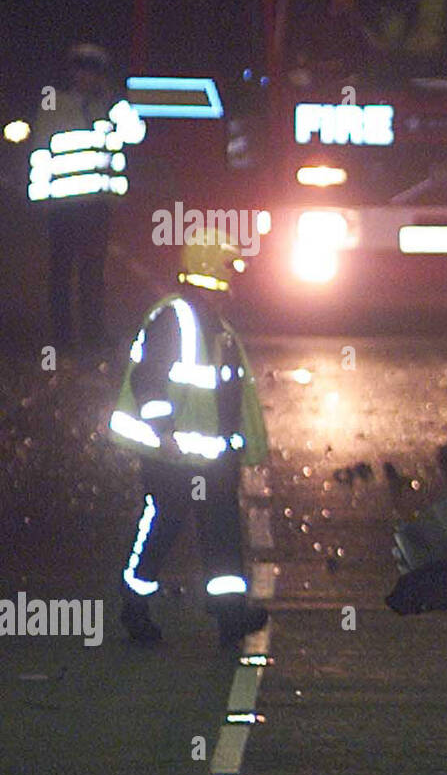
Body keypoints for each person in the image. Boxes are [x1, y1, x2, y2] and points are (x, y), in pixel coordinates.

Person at [107, 239, 270, 646]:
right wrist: (164, 435)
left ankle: (229, 615)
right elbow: (150, 381)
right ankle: (134, 604)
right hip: (174, 458)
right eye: (228, 268)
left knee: (222, 535)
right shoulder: (175, 319)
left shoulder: (216, 325)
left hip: (211, 459)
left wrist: (242, 450)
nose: (234, 277)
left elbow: (231, 398)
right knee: (165, 526)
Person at [28, 44, 145, 350]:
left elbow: (136, 134)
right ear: (72, 72)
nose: (87, 77)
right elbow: (40, 149)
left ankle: (94, 335)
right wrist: (40, 198)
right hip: (63, 205)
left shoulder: (109, 106)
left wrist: (116, 103)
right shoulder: (55, 103)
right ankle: (62, 339)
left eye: (94, 72)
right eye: (82, 70)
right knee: (62, 274)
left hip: (96, 205)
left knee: (93, 274)